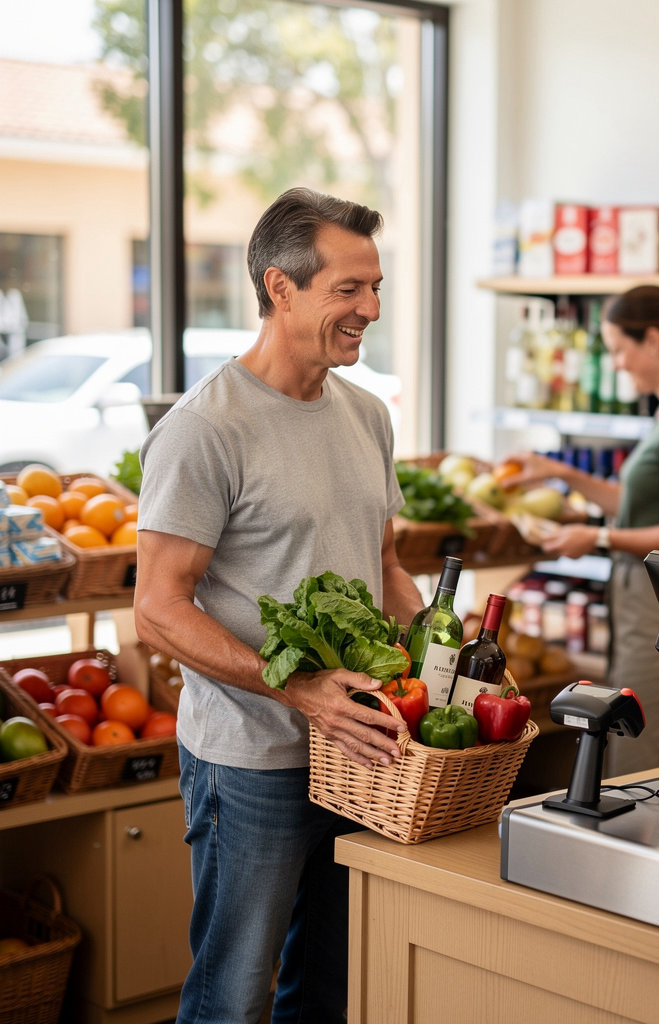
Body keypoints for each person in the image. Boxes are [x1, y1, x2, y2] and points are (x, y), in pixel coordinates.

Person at [133, 186, 426, 1024]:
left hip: (361, 755)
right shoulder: (206, 429)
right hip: (250, 761)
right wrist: (299, 690)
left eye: (375, 288)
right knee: (232, 996)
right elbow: (157, 607)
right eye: (349, 289)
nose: (370, 308)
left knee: (331, 985)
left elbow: (384, 566)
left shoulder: (367, 416)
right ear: (280, 287)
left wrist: (441, 656)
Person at [506, 285, 659, 778]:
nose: (617, 364)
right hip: (647, 609)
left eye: (618, 350)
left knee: (651, 759)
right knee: (637, 749)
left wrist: (600, 539)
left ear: (653, 340)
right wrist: (562, 473)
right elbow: (633, 507)